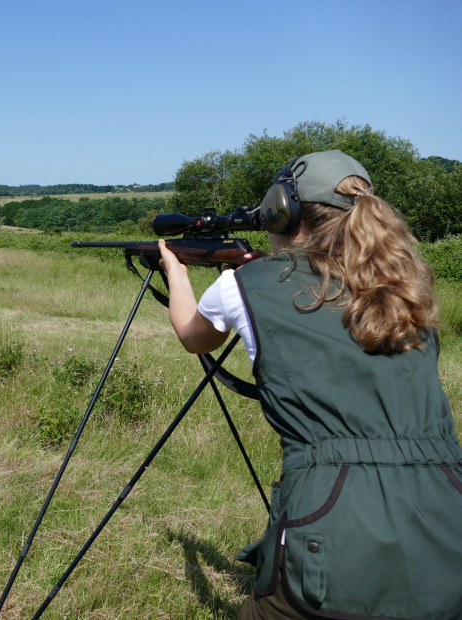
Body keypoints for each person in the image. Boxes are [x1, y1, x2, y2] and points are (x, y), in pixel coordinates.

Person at [157, 150, 462, 619]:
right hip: (447, 514)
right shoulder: (408, 293)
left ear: (283, 209)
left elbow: (193, 338)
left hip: (333, 527)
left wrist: (176, 275)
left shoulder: (248, 283)